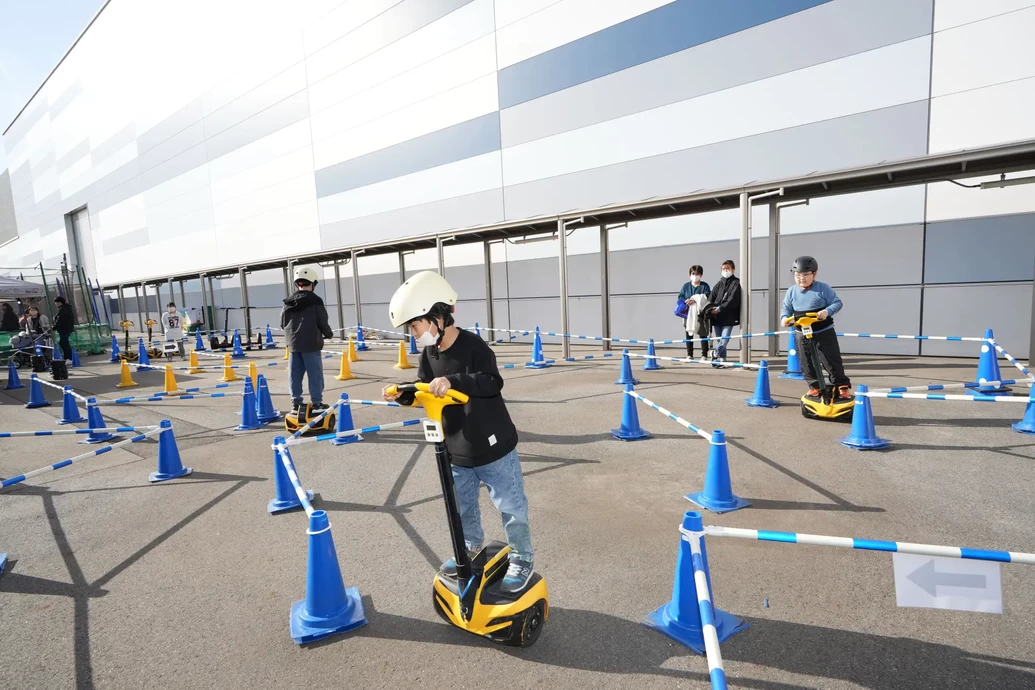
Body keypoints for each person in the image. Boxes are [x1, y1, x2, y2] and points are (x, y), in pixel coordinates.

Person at [382, 270, 535, 594]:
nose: (413, 334)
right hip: (456, 449)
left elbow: (492, 382)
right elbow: (425, 387)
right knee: (463, 507)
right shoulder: (430, 353)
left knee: (511, 506)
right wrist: (404, 395)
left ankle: (522, 557)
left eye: (415, 325)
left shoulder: (474, 347)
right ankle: (471, 546)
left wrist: (455, 381)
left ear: (436, 316)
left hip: (493, 446)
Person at [780, 256, 852, 400]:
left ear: (814, 274)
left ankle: (841, 386)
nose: (802, 278)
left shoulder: (823, 288)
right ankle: (815, 387)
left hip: (823, 330)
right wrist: (784, 319)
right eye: (798, 275)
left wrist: (826, 312)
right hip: (802, 332)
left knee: (831, 360)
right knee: (805, 361)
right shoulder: (791, 292)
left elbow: (836, 303)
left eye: (806, 275)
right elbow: (786, 308)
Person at [280, 265, 334, 415]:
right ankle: (317, 403)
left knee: (294, 375)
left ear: (297, 284)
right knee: (315, 374)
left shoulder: (288, 301)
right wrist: (328, 334)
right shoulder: (316, 300)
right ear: (313, 283)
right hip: (311, 343)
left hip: (293, 344)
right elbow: (322, 321)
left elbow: (282, 323)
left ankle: (296, 404)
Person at [707, 259, 741, 364]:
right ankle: (722, 360)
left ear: (733, 269)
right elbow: (711, 297)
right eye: (723, 269)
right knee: (719, 340)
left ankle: (715, 353)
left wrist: (720, 308)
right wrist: (710, 307)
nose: (725, 270)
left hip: (729, 316)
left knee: (725, 339)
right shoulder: (719, 283)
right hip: (716, 317)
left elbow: (733, 299)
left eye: (727, 268)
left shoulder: (736, 282)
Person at [677, 265, 710, 358]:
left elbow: (707, 296)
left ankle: (704, 354)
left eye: (697, 274)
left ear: (701, 275)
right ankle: (690, 354)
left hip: (700, 313)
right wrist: (686, 301)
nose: (695, 275)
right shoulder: (686, 286)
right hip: (688, 314)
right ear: (690, 275)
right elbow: (680, 297)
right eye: (693, 273)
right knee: (689, 333)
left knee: (703, 333)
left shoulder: (705, 286)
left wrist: (696, 299)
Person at [53, 296, 75, 361]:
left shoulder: (64, 309)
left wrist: (55, 327)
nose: (56, 304)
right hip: (64, 328)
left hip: (65, 328)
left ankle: (69, 358)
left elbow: (61, 320)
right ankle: (67, 357)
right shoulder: (63, 309)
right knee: (62, 342)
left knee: (64, 342)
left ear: (60, 302)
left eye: (56, 302)